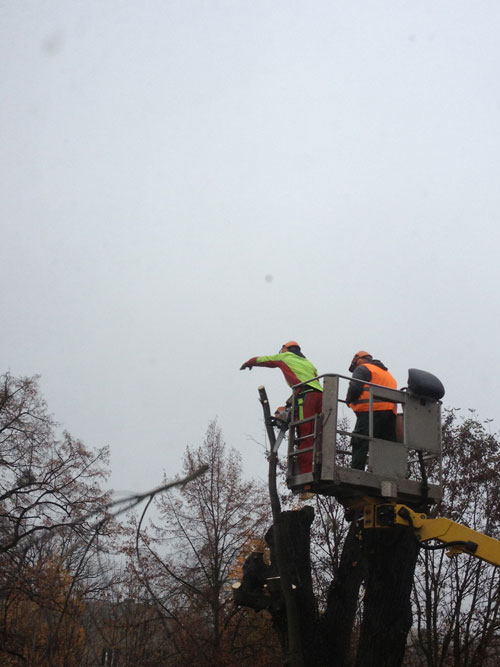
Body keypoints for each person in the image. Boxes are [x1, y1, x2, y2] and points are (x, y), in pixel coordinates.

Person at [240, 341, 322, 473]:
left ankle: (305, 473)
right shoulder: (309, 363)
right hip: (320, 396)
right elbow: (314, 382)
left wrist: (249, 362)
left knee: (305, 434)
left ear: (286, 348)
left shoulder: (285, 357)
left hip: (306, 398)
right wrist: (291, 400)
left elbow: (264, 360)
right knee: (319, 433)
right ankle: (320, 468)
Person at [346, 351, 397, 471]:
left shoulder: (363, 369)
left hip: (370, 411)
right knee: (385, 445)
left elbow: (355, 387)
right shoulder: (386, 373)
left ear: (359, 360)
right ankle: (387, 472)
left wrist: (348, 399)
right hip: (389, 414)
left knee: (360, 440)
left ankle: (356, 472)